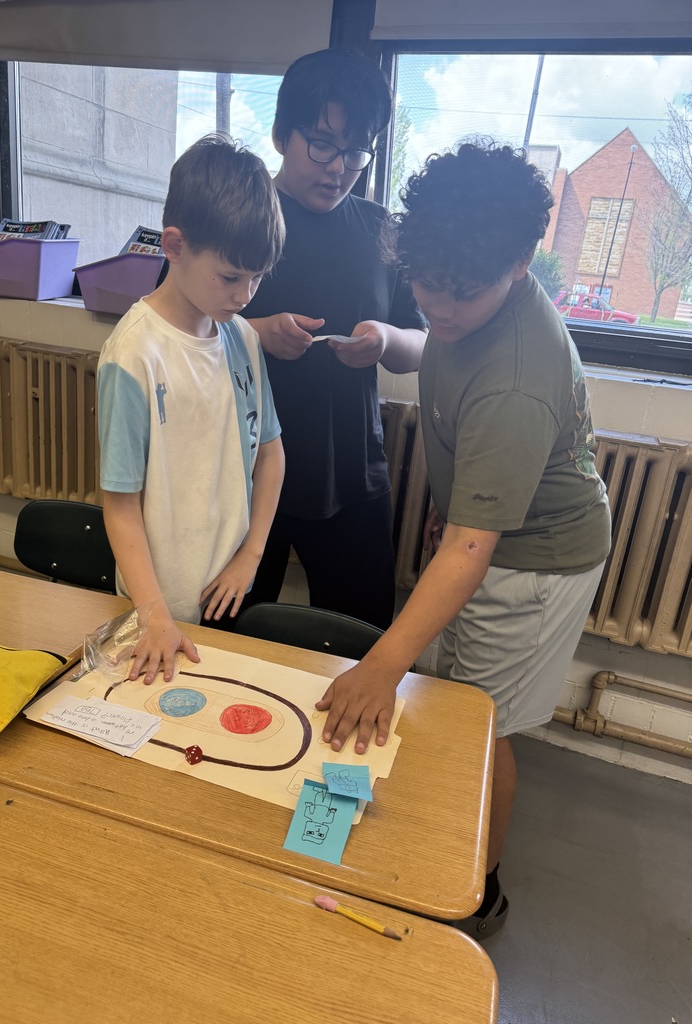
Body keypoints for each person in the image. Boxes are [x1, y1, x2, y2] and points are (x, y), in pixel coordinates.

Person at [317, 140, 611, 939]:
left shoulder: (519, 378)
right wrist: (392, 339)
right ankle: (437, 835)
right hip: (491, 535)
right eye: (424, 289)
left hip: (535, 561)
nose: (439, 309)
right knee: (453, 700)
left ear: (521, 264)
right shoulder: (466, 296)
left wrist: (382, 665)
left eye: (461, 296)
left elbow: (473, 551)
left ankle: (478, 892)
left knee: (484, 721)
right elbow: (443, 344)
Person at [242, 48, 428, 630]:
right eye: (321, 144)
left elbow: (424, 344)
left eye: (356, 150)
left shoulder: (379, 230)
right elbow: (171, 327)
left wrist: (385, 339)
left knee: (360, 643)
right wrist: (257, 334)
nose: (338, 167)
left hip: (350, 476)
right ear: (280, 134)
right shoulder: (237, 218)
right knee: (225, 635)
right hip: (241, 474)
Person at [97, 135, 286, 684]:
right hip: (151, 606)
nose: (246, 294)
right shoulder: (135, 354)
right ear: (174, 246)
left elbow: (270, 456)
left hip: (228, 592)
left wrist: (250, 556)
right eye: (231, 277)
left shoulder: (242, 338)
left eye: (257, 277)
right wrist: (154, 614)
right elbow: (120, 504)